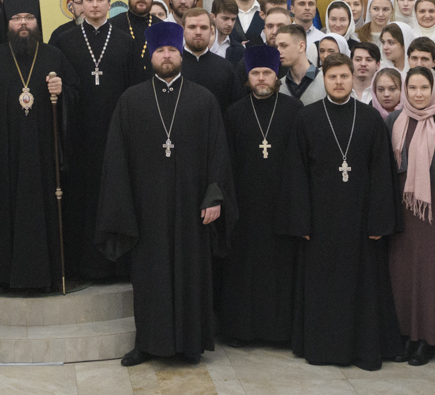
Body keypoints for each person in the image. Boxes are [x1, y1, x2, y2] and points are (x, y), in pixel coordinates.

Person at [97, 22, 234, 366]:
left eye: (172, 50)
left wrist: (214, 196)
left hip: (192, 206)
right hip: (147, 207)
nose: (167, 56)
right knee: (150, 276)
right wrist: (123, 206)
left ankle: (191, 343)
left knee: (191, 272)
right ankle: (147, 343)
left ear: (181, 54)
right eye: (160, 51)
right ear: (151, 57)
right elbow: (116, 158)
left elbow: (219, 152)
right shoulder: (131, 100)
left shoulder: (203, 100)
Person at [291, 53, 397, 369]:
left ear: (354, 79)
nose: (339, 82)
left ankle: (363, 350)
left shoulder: (369, 119)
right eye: (333, 77)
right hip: (320, 220)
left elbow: (382, 173)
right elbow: (296, 173)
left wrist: (380, 219)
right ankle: (323, 349)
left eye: (344, 76)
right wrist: (301, 219)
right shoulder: (306, 117)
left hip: (360, 218)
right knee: (323, 287)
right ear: (324, 79)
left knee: (361, 285)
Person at [0, 0, 72, 291]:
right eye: (15, 18)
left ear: (37, 21)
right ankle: (3, 275)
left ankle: (45, 276)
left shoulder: (53, 55)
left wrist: (61, 91)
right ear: (6, 23)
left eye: (28, 17)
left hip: (43, 154)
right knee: (4, 210)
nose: (22, 24)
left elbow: (75, 99)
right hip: (3, 152)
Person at [48, 0, 142, 281]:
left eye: (101, 0)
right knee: (79, 199)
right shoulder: (64, 40)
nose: (95, 5)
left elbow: (132, 90)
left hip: (115, 134)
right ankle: (78, 265)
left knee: (112, 195)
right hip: (76, 134)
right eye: (89, 0)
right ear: (79, 4)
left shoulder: (125, 41)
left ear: (109, 3)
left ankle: (111, 264)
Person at [217, 46, 305, 346]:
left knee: (281, 271)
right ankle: (242, 330)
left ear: (276, 75)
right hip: (245, 207)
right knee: (244, 271)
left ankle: (278, 333)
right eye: (255, 73)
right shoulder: (234, 113)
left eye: (267, 72)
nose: (262, 78)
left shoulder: (295, 111)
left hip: (282, 205)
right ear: (248, 78)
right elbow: (225, 162)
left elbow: (301, 163)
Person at [385, 67, 435, 367]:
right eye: (412, 88)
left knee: (430, 276)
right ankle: (404, 336)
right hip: (402, 205)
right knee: (401, 276)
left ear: (433, 89)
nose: (418, 94)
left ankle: (426, 339)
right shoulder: (393, 120)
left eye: (424, 88)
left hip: (433, 206)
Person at [177, 9, 240, 109]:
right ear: (182, 30)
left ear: (211, 31)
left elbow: (235, 109)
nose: (198, 32)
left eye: (203, 27)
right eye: (192, 27)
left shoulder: (226, 68)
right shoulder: (173, 67)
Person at [272, 25, 320, 105]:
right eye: (277, 47)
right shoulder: (279, 86)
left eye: (284, 46)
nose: (278, 51)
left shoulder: (325, 81)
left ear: (301, 46)